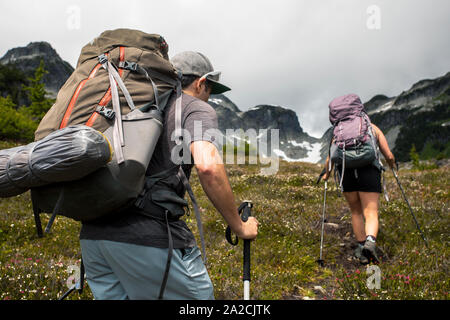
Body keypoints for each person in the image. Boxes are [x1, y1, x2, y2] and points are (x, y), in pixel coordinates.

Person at [79, 51, 259, 300]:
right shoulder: (195, 107)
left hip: (94, 237)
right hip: (148, 237)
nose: (209, 98)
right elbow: (208, 167)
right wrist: (239, 226)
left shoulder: (129, 104)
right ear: (201, 82)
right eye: (209, 90)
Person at [323, 123, 395, 264]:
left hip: (346, 172)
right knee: (371, 212)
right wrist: (392, 164)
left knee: (356, 212)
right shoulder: (371, 127)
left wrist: (326, 174)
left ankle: (362, 247)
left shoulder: (340, 130)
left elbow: (330, 157)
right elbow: (389, 155)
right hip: (369, 170)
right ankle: (370, 242)